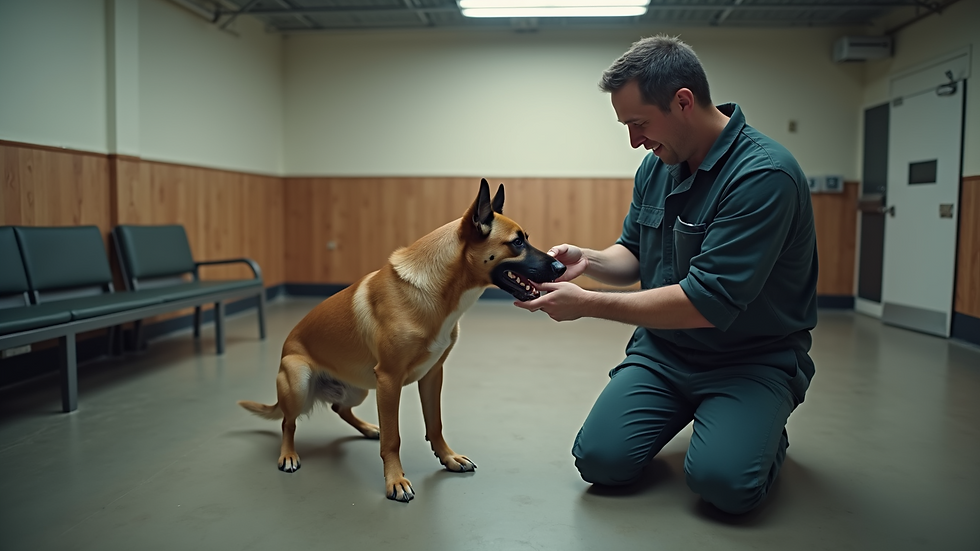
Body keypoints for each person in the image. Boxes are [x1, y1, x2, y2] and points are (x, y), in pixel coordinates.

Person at [515, 34, 818, 515]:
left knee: (724, 485)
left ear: (683, 102)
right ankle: (714, 420)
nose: (635, 140)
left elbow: (705, 302)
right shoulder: (658, 165)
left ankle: (757, 426)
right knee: (600, 462)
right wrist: (588, 261)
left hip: (751, 359)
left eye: (639, 123)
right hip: (664, 353)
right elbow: (633, 253)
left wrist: (588, 304)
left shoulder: (763, 176)